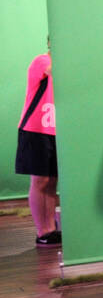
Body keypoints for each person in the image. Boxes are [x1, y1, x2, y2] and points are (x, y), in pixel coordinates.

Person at [16, 47, 59, 247]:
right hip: (35, 129)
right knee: (40, 180)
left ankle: (50, 229)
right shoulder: (42, 61)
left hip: (55, 131)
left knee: (52, 182)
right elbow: (53, 69)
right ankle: (43, 231)